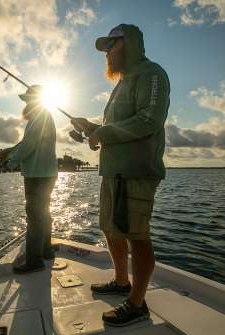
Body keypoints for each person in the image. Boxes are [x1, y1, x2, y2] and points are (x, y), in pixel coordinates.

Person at [71, 24, 170, 327]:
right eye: (106, 48)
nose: (108, 53)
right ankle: (121, 281)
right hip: (113, 171)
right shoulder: (122, 83)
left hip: (135, 171)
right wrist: (91, 128)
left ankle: (137, 303)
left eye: (112, 45)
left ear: (129, 44)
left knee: (136, 235)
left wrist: (103, 131)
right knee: (111, 229)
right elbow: (114, 128)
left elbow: (148, 120)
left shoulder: (152, 73)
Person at [1, 85, 58, 274]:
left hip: (37, 174)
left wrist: (10, 163)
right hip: (46, 173)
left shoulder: (39, 116)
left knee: (35, 216)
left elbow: (29, 145)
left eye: (29, 99)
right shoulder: (41, 116)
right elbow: (26, 142)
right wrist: (9, 152)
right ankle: (46, 251)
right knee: (43, 213)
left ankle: (34, 261)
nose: (26, 103)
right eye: (26, 100)